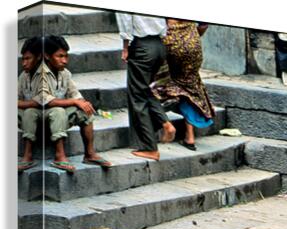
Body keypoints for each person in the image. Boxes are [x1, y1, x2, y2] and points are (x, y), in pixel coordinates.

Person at [37, 35, 112, 172]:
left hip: (58, 118)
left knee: (84, 109)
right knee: (58, 111)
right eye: (60, 56)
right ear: (47, 56)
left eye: (66, 56)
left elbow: (76, 95)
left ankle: (89, 154)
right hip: (39, 118)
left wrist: (83, 103)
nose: (64, 61)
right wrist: (73, 101)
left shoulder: (65, 73)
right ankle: (59, 156)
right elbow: (44, 101)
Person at [116, 12, 176, 161]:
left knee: (138, 96)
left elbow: (125, 20)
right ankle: (163, 123)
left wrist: (125, 47)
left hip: (142, 45)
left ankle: (151, 145)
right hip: (159, 45)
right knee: (145, 90)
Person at [151, 19, 214, 151]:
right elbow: (204, 24)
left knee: (163, 83)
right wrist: (190, 36)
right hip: (192, 42)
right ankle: (189, 136)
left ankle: (163, 123)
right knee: (190, 87)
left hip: (171, 41)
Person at [17, 37, 43, 171]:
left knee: (29, 112)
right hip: (30, 115)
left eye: (28, 59)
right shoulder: (24, 76)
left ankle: (28, 156)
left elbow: (40, 103)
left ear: (38, 57)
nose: (24, 63)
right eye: (23, 59)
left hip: (47, 117)